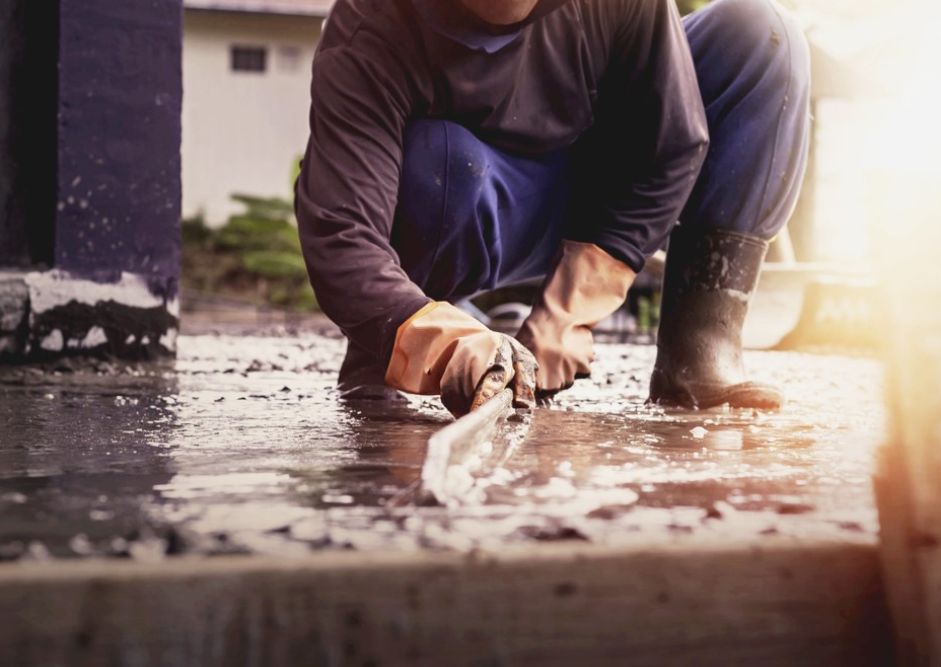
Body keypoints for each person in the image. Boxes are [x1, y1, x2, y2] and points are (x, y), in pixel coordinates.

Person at [295, 0, 810, 417]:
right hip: (474, 196)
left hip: (603, 190)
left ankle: (700, 350)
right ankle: (390, 349)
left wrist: (568, 309)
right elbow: (345, 231)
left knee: (761, 34)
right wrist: (439, 343)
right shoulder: (370, 29)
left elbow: (673, 142)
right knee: (434, 160)